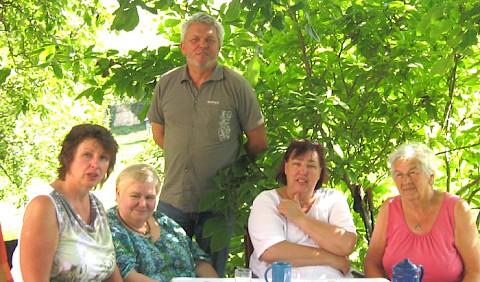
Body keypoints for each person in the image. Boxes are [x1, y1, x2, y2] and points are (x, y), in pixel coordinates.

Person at [146, 11, 268, 276]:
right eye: (195, 39)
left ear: (219, 47)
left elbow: (258, 141)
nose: (202, 45)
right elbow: (159, 134)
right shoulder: (166, 84)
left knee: (211, 273)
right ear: (183, 46)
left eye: (210, 40)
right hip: (173, 198)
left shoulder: (237, 86)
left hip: (218, 203)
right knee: (168, 270)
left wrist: (229, 171)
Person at [10, 124, 122, 282]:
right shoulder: (45, 206)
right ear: (69, 158)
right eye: (87, 155)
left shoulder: (96, 205)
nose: (95, 164)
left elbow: (109, 269)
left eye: (103, 158)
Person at [364, 142, 480, 281]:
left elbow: (475, 270)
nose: (406, 180)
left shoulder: (457, 209)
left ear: (431, 176)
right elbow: (372, 262)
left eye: (413, 173)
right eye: (399, 174)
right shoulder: (389, 208)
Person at [248, 139, 357, 279]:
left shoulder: (333, 198)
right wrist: (331, 258)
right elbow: (272, 251)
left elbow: (346, 244)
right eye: (297, 164)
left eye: (311, 166)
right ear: (286, 168)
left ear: (320, 172)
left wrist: (299, 217)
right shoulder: (268, 200)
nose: (303, 171)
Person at [107, 164, 218, 281]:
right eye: (135, 196)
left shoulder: (162, 221)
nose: (143, 204)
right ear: (118, 193)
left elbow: (198, 259)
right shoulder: (111, 228)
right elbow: (128, 276)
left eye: (149, 197)